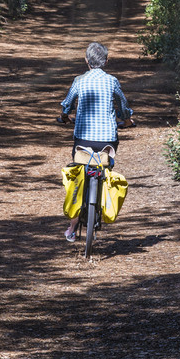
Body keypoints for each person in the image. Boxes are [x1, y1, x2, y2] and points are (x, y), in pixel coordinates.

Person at [58, 41, 133, 242]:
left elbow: (67, 105)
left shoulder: (79, 80)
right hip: (107, 140)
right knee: (106, 169)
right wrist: (127, 120)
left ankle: (72, 226)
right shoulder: (112, 81)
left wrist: (64, 117)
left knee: (78, 176)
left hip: (82, 139)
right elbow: (122, 105)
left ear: (86, 61)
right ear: (107, 61)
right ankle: (103, 204)